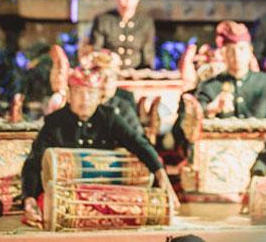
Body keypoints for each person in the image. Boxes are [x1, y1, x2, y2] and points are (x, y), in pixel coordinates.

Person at [21, 66, 178, 228]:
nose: (85, 99)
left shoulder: (109, 117)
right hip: (65, 199)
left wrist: (161, 174)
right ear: (69, 96)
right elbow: (33, 163)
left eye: (91, 93)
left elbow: (138, 143)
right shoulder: (55, 122)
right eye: (79, 92)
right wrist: (29, 199)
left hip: (106, 195)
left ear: (99, 97)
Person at [195, 21, 266, 119]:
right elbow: (194, 116)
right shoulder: (209, 86)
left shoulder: (265, 83)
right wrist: (212, 109)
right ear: (222, 54)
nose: (237, 56)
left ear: (250, 51)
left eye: (242, 49)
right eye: (230, 50)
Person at [90, 0, 156, 69]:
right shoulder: (103, 21)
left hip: (136, 74)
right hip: (109, 72)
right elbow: (96, 52)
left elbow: (148, 57)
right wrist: (108, 59)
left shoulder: (145, 23)